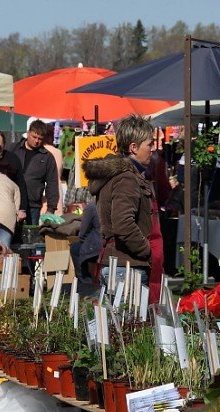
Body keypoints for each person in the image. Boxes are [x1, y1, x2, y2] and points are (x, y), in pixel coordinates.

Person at [83, 114, 164, 304]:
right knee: (127, 330)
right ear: (133, 147)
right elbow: (123, 224)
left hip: (120, 265)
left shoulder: (122, 175)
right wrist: (147, 251)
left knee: (119, 329)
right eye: (149, 144)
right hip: (126, 266)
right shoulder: (126, 178)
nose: (152, 149)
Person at [7, 120, 59, 225]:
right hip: (10, 201)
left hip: (33, 206)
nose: (36, 141)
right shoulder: (12, 149)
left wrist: (51, 209)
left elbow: (52, 184)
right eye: (34, 137)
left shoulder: (47, 157)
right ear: (28, 133)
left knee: (30, 239)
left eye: (40, 139)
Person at [70, 200, 103, 295]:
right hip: (111, 244)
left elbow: (83, 233)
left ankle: (85, 285)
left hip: (98, 247)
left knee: (75, 249)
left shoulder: (92, 206)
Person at [42, 123, 64, 215]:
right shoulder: (58, 152)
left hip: (42, 195)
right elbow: (60, 172)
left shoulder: (40, 152)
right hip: (56, 194)